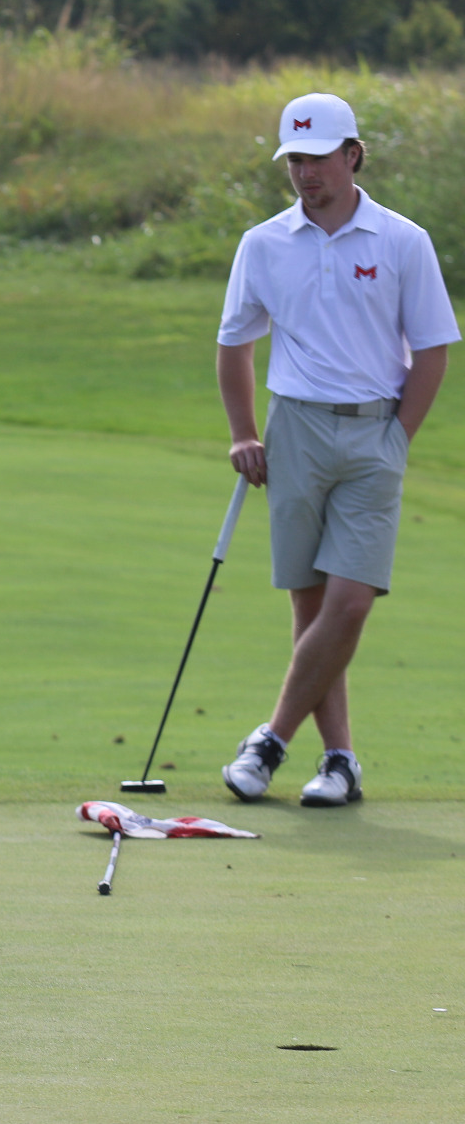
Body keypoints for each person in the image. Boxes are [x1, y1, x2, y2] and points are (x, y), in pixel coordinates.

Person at [216, 92, 457, 806]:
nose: (305, 173)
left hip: (375, 429)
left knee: (349, 603)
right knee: (312, 604)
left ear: (353, 154)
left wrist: (396, 439)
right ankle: (341, 761)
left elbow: (435, 350)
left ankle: (269, 740)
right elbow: (235, 344)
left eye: (318, 157)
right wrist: (242, 432)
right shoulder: (264, 243)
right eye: (294, 159)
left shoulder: (401, 240)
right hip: (296, 430)